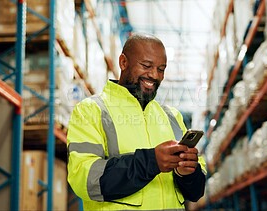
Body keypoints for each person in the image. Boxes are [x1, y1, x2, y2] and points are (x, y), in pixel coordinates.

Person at [67, 33, 206, 210]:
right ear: (123, 62)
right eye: (146, 66)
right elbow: (84, 180)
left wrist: (187, 173)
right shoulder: (91, 111)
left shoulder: (173, 117)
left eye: (161, 69)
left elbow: (195, 193)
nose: (154, 75)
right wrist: (151, 162)